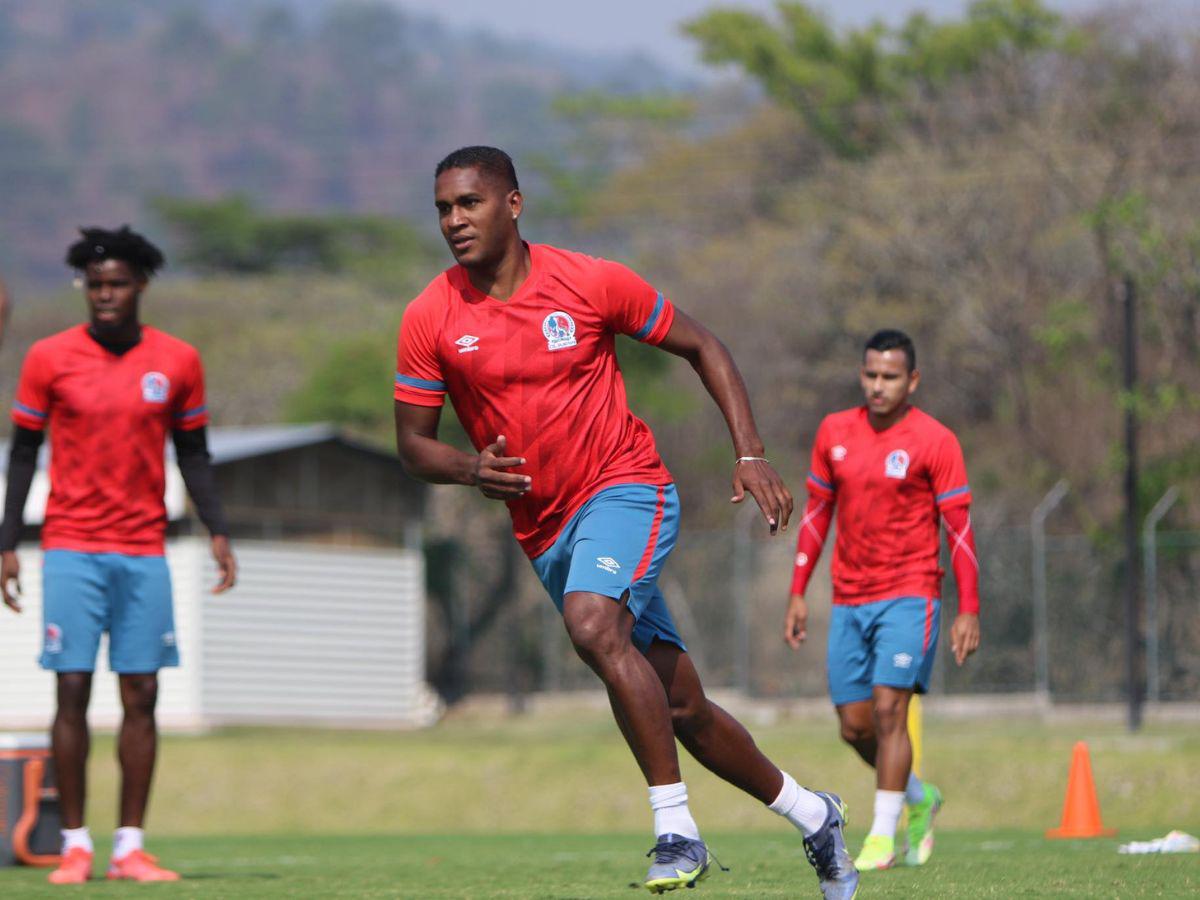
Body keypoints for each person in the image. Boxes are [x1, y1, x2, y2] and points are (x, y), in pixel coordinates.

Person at [394, 146, 858, 898]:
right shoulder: (432, 315)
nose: (454, 220)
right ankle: (815, 816)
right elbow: (412, 445)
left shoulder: (590, 281)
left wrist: (749, 453)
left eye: (469, 203)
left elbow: (703, 345)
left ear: (512, 204)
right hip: (543, 531)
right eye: (443, 207)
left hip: (625, 489)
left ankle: (675, 830)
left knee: (591, 625)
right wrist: (468, 468)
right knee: (682, 707)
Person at [0, 226, 237, 884]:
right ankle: (75, 844)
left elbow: (194, 453)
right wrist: (7, 541)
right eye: (95, 284)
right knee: (70, 686)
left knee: (143, 691)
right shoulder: (49, 358)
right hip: (70, 545)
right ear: (86, 287)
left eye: (117, 283)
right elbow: (22, 452)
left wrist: (217, 528)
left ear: (140, 286)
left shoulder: (178, 361)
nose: (105, 294)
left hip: (143, 549)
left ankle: (129, 847)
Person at [785, 329, 981, 873]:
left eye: (890, 376)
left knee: (892, 709)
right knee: (854, 726)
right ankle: (919, 797)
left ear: (912, 380)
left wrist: (969, 607)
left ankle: (880, 837)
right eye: (870, 374)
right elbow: (817, 513)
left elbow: (959, 529)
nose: (878, 385)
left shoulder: (935, 440)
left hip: (911, 594)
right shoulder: (834, 432)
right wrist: (798, 593)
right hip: (848, 598)